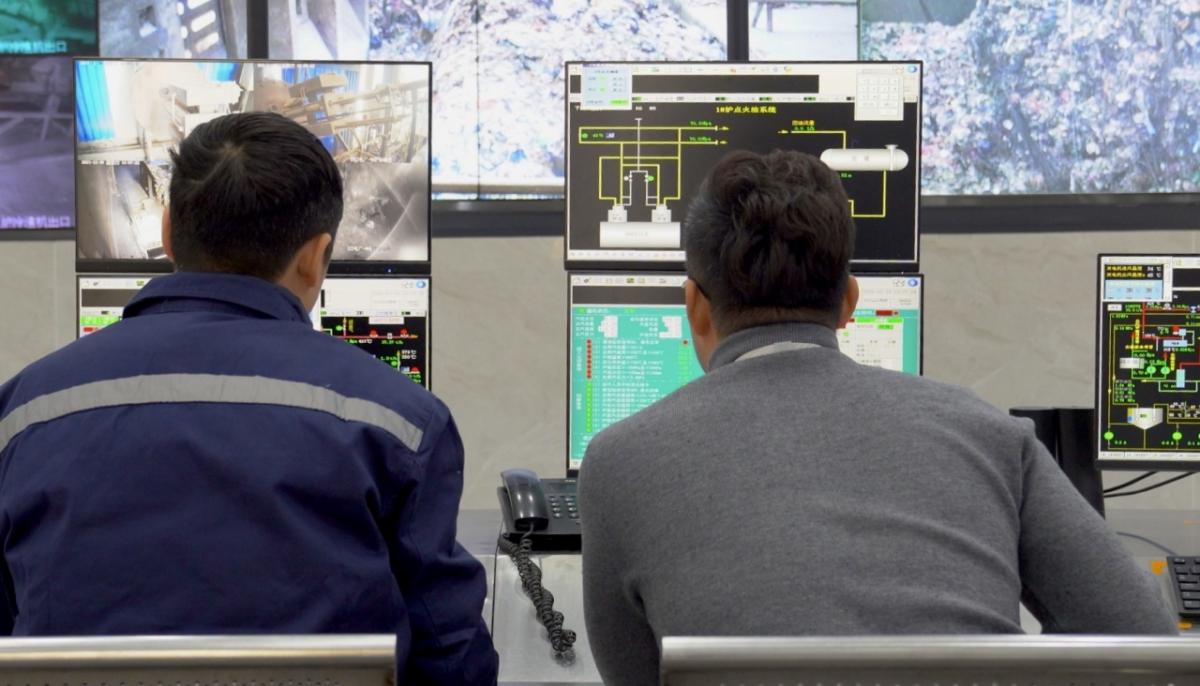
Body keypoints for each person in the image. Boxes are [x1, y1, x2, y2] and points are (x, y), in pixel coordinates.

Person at [578, 149, 1177, 685]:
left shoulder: (616, 462)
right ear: (849, 303)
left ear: (694, 307)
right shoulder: (990, 433)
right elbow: (1143, 641)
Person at [0, 112, 497, 684]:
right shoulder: (399, 424)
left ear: (166, 233)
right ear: (316, 255)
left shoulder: (21, 414)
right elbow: (451, 657)